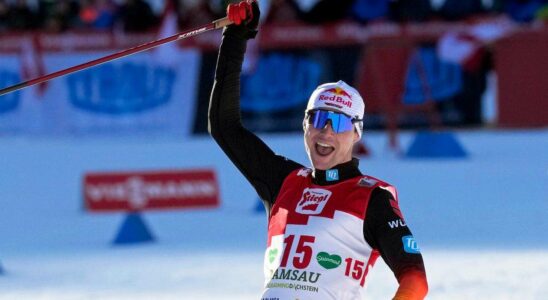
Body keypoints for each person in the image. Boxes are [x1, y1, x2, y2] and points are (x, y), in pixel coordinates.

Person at [208, 1, 428, 299]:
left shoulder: (372, 199)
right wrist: (236, 36)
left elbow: (415, 280)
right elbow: (224, 126)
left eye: (338, 122)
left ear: (356, 134)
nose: (325, 131)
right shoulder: (283, 180)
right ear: (305, 125)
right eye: (318, 119)